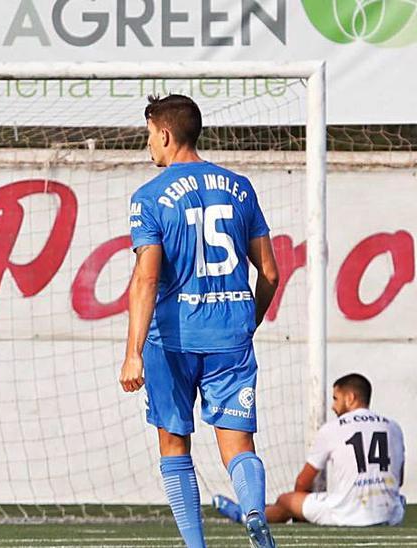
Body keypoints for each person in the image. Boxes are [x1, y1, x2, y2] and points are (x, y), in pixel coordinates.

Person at [120, 94, 280, 548]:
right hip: (230, 333)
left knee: (174, 446)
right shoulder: (240, 186)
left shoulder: (149, 197)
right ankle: (252, 510)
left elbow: (146, 278)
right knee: (238, 446)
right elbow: (269, 272)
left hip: (171, 342)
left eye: (150, 134)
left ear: (165, 134)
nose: (149, 144)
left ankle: (196, 545)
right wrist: (248, 320)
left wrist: (132, 354)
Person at [216, 373, 405, 527]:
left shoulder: (334, 428)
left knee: (286, 501)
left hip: (347, 513)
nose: (333, 406)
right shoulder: (394, 427)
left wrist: (300, 510)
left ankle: (244, 516)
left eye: (335, 399)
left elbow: (303, 481)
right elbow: (400, 479)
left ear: (350, 398)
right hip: (389, 512)